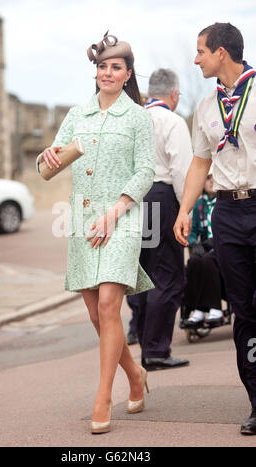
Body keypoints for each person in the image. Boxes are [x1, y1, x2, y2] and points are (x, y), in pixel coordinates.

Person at [36, 32, 155, 434]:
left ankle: (104, 397)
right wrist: (46, 156)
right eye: (102, 66)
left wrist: (118, 209)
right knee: (95, 312)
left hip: (121, 217)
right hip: (83, 219)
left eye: (115, 67)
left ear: (127, 74)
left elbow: (145, 171)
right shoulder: (77, 115)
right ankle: (135, 375)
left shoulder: (139, 117)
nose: (107, 72)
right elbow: (47, 166)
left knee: (109, 304)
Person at [174, 22, 256, 435]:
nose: (196, 59)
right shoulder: (206, 107)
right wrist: (185, 209)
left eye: (201, 51)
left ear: (221, 52)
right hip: (226, 211)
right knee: (243, 308)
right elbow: (200, 163)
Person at [129, 68, 193, 371]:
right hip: (162, 197)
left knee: (142, 274)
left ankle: (145, 343)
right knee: (167, 274)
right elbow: (182, 170)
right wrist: (186, 211)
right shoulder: (172, 121)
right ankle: (156, 350)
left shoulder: (134, 120)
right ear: (174, 94)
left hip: (134, 199)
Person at [184, 172, 224, 326]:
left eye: (214, 177)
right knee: (194, 261)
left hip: (220, 248)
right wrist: (194, 243)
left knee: (208, 260)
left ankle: (215, 308)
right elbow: (192, 232)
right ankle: (198, 309)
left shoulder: (222, 202)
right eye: (207, 177)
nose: (211, 181)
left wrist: (212, 242)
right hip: (205, 247)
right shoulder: (199, 205)